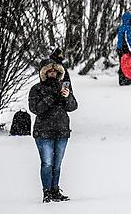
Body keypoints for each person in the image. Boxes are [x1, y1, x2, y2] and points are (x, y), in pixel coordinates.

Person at [28, 62, 78, 203]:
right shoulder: (36, 89)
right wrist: (51, 97)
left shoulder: (63, 87)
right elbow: (35, 108)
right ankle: (47, 192)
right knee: (47, 163)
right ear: (44, 73)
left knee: (57, 164)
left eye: (54, 72)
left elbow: (73, 106)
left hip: (62, 132)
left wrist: (67, 96)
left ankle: (55, 190)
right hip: (43, 132)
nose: (52, 73)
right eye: (49, 71)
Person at [116, 12, 131, 86]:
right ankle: (124, 80)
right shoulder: (127, 27)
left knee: (123, 63)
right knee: (125, 64)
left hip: (120, 48)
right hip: (124, 48)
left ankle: (125, 79)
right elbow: (127, 39)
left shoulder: (122, 27)